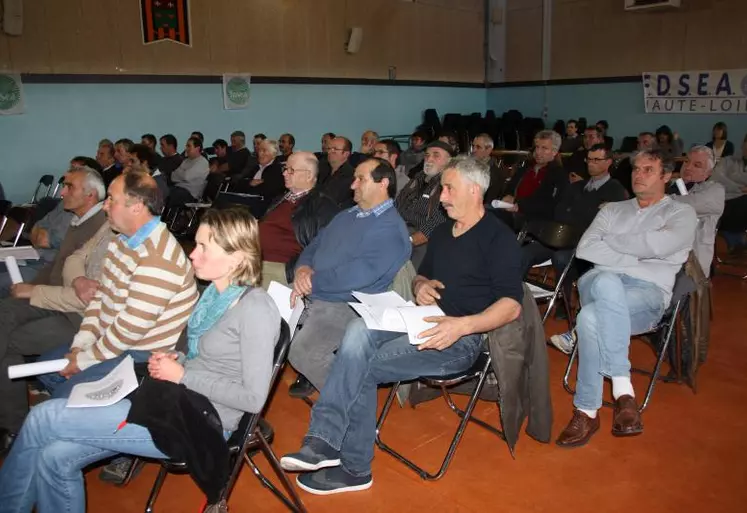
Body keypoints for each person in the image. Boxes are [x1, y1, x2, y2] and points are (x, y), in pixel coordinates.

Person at [0, 207, 281, 513]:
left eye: (203, 247)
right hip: (176, 400)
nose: (192, 254)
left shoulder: (255, 307)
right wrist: (180, 358)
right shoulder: (215, 293)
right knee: (53, 457)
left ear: (237, 258)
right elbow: (209, 357)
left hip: (200, 423)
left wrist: (182, 375)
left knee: (43, 418)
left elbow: (253, 399)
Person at [280, 156, 523, 494]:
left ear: (474, 189)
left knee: (359, 364)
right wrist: (421, 285)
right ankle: (326, 442)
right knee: (356, 331)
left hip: (462, 339)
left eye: (449, 189)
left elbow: (511, 307)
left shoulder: (498, 238)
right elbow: (422, 276)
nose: (442, 197)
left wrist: (463, 326)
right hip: (421, 319)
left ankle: (352, 465)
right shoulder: (443, 232)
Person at [556, 150, 696, 448]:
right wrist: (643, 251)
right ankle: (623, 389)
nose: (638, 174)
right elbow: (585, 249)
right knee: (605, 281)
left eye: (648, 169)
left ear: (666, 176)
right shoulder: (612, 210)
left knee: (589, 319)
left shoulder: (681, 213)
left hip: (647, 294)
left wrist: (614, 245)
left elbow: (663, 243)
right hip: (597, 282)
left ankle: (587, 410)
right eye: (636, 168)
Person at [36, 171, 198, 400]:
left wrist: (84, 360)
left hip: (142, 355)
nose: (104, 206)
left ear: (137, 206)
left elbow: (128, 329)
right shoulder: (120, 240)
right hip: (115, 341)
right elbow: (101, 298)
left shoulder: (159, 258)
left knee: (63, 395)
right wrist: (81, 344)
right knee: (47, 369)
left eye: (112, 199)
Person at [287, 158, 410, 398]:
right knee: (266, 324)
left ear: (383, 183)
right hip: (316, 290)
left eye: (360, 179)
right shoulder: (348, 215)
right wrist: (302, 268)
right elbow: (314, 246)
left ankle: (351, 405)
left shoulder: (390, 229)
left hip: (346, 302)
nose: (353, 185)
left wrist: (312, 281)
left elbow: (360, 274)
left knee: (304, 352)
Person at [522, 144, 627, 328]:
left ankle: (565, 298)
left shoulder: (615, 190)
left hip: (586, 242)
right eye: (589, 159)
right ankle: (517, 299)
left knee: (562, 257)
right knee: (522, 252)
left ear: (608, 162)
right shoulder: (577, 186)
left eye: (597, 160)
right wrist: (586, 212)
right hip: (561, 236)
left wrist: (577, 213)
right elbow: (560, 211)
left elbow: (602, 223)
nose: (591, 163)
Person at [259, 152, 339, 287]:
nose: (284, 174)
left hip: (280, 268)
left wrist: (290, 271)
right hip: (255, 259)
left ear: (308, 175)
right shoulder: (280, 199)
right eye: (285, 169)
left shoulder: (322, 206)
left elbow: (322, 249)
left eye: (291, 170)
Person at [395, 140, 451, 268]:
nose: (429, 159)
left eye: (436, 155)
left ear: (449, 161)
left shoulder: (448, 183)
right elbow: (398, 203)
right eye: (427, 155)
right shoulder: (418, 177)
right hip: (401, 229)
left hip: (425, 237)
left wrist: (410, 240)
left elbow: (441, 219)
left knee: (410, 270)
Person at [670, 146, 725, 277]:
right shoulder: (671, 186)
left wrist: (657, 199)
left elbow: (687, 204)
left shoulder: (715, 191)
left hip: (691, 267)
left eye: (697, 165)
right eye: (686, 161)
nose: (688, 167)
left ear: (708, 173)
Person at [497, 130, 568, 227]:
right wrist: (508, 196)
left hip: (533, 220)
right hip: (511, 211)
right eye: (537, 147)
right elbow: (510, 188)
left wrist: (519, 205)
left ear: (554, 152)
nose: (538, 152)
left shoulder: (559, 175)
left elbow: (550, 205)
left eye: (544, 148)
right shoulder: (526, 168)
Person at [711, 134, 747, 252]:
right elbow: (715, 179)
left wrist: (730, 183)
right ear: (743, 145)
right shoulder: (728, 161)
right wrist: (741, 188)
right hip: (724, 202)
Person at [168, 136, 210, 207]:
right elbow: (173, 176)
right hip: (178, 188)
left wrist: (182, 174)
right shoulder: (186, 161)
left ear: (197, 148)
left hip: (191, 194)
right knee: (163, 190)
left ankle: (167, 217)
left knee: (173, 195)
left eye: (189, 146)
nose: (186, 149)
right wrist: (183, 174)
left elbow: (186, 176)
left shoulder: (202, 162)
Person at [317, 136, 356, 208]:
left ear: (346, 154)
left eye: (335, 149)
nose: (329, 152)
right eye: (329, 149)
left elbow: (332, 198)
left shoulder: (350, 175)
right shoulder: (321, 167)